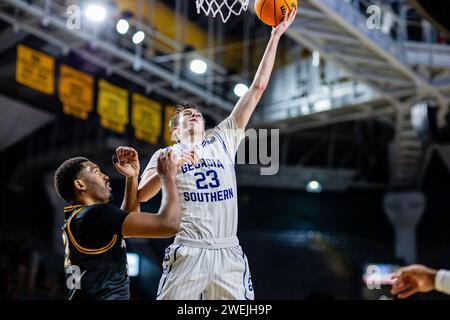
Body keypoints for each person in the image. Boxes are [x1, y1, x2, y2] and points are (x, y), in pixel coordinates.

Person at [138, 9, 298, 300]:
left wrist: (275, 36)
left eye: (197, 113)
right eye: (187, 114)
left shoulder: (223, 139)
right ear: (175, 131)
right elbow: (139, 197)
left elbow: (257, 88)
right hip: (189, 249)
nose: (194, 114)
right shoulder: (166, 154)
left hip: (228, 251)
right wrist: (167, 172)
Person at [54, 147, 180, 300]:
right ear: (80, 185)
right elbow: (169, 224)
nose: (106, 176)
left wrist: (132, 178)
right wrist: (168, 177)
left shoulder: (79, 218)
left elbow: (129, 227)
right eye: (96, 171)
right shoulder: (95, 214)